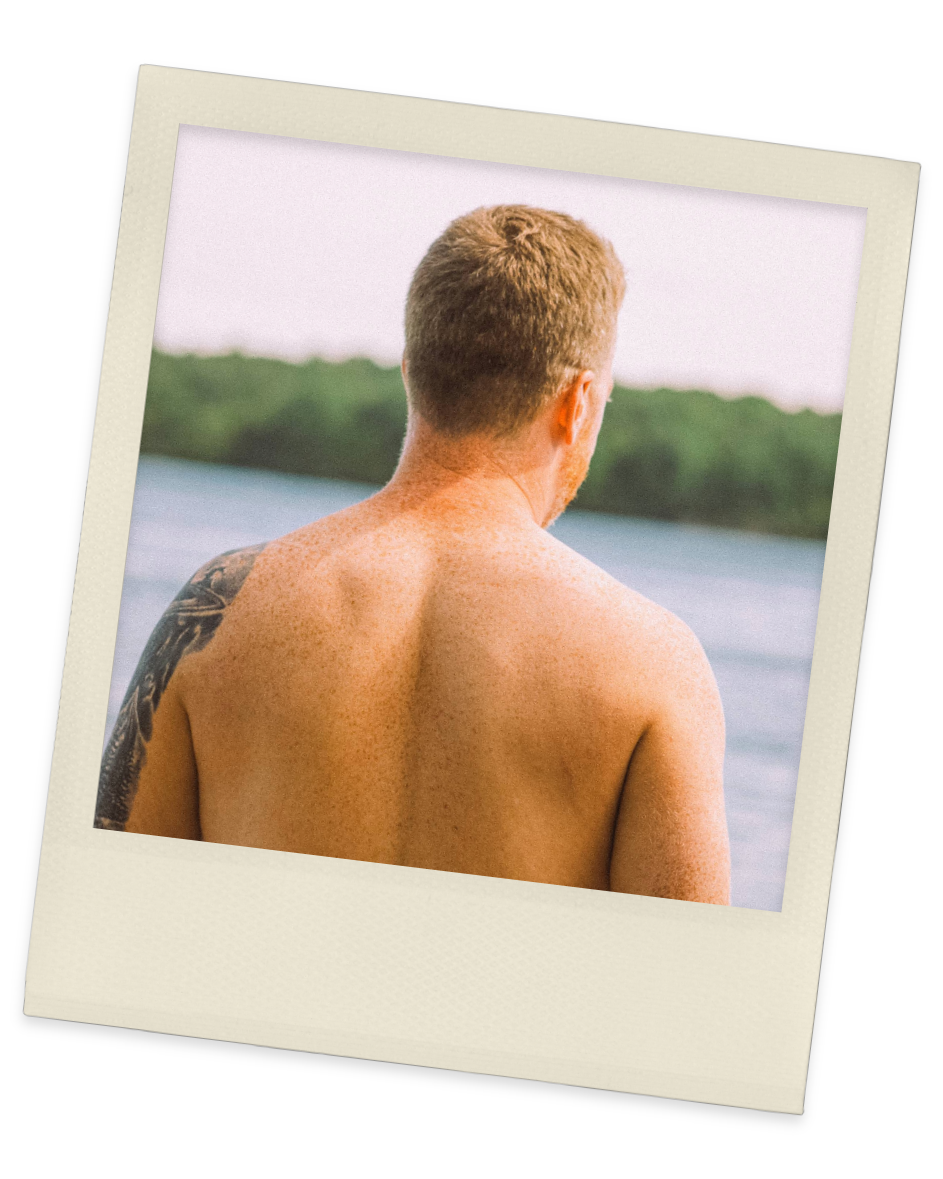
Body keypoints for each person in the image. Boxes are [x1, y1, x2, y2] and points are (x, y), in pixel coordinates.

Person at [95, 205, 730, 904]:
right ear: (577, 402)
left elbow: (112, 907)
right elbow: (688, 990)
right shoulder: (654, 664)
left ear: (411, 371)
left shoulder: (216, 608)